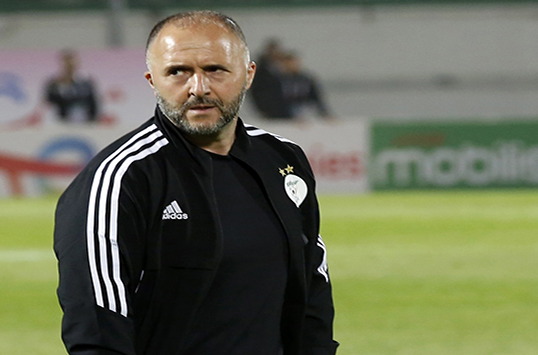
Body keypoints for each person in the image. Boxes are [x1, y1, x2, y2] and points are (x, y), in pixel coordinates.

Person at [54, 10, 338, 355]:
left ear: (248, 74)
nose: (198, 88)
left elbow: (313, 287)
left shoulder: (283, 158)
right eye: (178, 72)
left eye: (215, 70)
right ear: (151, 80)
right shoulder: (121, 177)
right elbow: (97, 328)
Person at [44, 49, 100, 123]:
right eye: (66, 61)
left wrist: (92, 120)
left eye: (71, 60)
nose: (69, 63)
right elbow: (49, 101)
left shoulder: (85, 81)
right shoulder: (54, 83)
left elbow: (93, 102)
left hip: (84, 120)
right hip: (61, 120)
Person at [278, 51, 333, 120]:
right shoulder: (278, 80)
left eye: (293, 63)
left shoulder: (305, 79)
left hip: (303, 108)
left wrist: (325, 113)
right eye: (288, 63)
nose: (291, 66)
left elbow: (315, 97)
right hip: (285, 110)